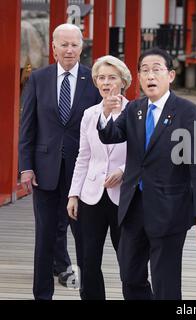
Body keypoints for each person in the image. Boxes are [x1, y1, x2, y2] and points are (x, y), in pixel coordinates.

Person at [97, 48, 196, 300]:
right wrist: (105, 113)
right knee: (130, 275)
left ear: (170, 75)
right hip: (133, 207)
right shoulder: (134, 109)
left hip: (170, 208)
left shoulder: (186, 111)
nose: (150, 75)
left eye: (156, 69)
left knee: (165, 281)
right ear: (138, 77)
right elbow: (111, 135)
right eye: (145, 70)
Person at [19, 23, 102, 300]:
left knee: (83, 236)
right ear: (53, 47)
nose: (69, 49)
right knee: (44, 236)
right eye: (63, 44)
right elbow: (28, 127)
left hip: (82, 172)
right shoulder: (38, 79)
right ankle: (42, 294)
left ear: (82, 47)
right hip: (44, 170)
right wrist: (26, 167)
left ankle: (88, 292)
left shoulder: (93, 80)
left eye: (74, 44)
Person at [67, 55, 131, 300]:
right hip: (90, 195)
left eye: (112, 77)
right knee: (88, 260)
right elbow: (83, 156)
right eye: (101, 78)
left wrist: (124, 170)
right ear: (95, 82)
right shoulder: (89, 114)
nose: (106, 83)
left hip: (123, 197)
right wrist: (74, 194)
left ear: (123, 81)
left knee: (128, 259)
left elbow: (143, 153)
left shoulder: (135, 111)